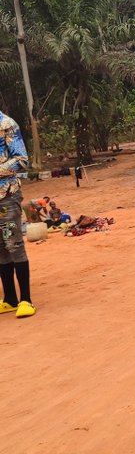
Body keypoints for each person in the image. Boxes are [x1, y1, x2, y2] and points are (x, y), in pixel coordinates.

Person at [0, 109, 35, 317]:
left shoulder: (7, 124)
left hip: (7, 197)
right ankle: (10, 299)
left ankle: (26, 300)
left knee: (13, 244)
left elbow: (22, 159)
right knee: (1, 247)